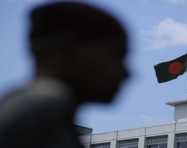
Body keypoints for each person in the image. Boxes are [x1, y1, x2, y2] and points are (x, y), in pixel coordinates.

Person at [0, 1, 129, 148]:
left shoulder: (24, 110)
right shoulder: (40, 117)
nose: (126, 73)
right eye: (116, 56)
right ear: (65, 51)